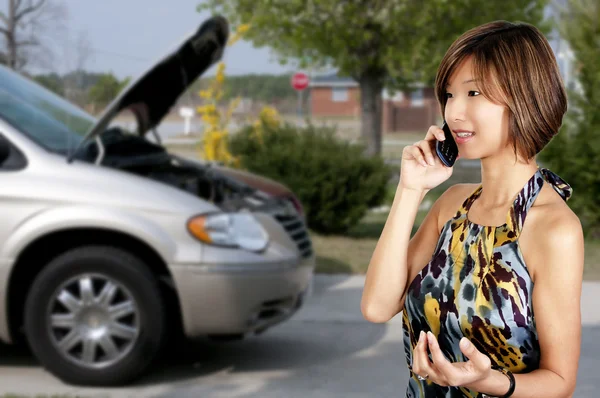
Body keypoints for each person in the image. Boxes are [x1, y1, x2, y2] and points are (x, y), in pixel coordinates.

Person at [361, 20, 584, 398]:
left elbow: (560, 382)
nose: (454, 112)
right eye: (449, 95)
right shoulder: (451, 205)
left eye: (474, 92)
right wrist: (410, 188)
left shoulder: (552, 228)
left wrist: (487, 381)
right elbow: (378, 306)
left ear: (525, 97)